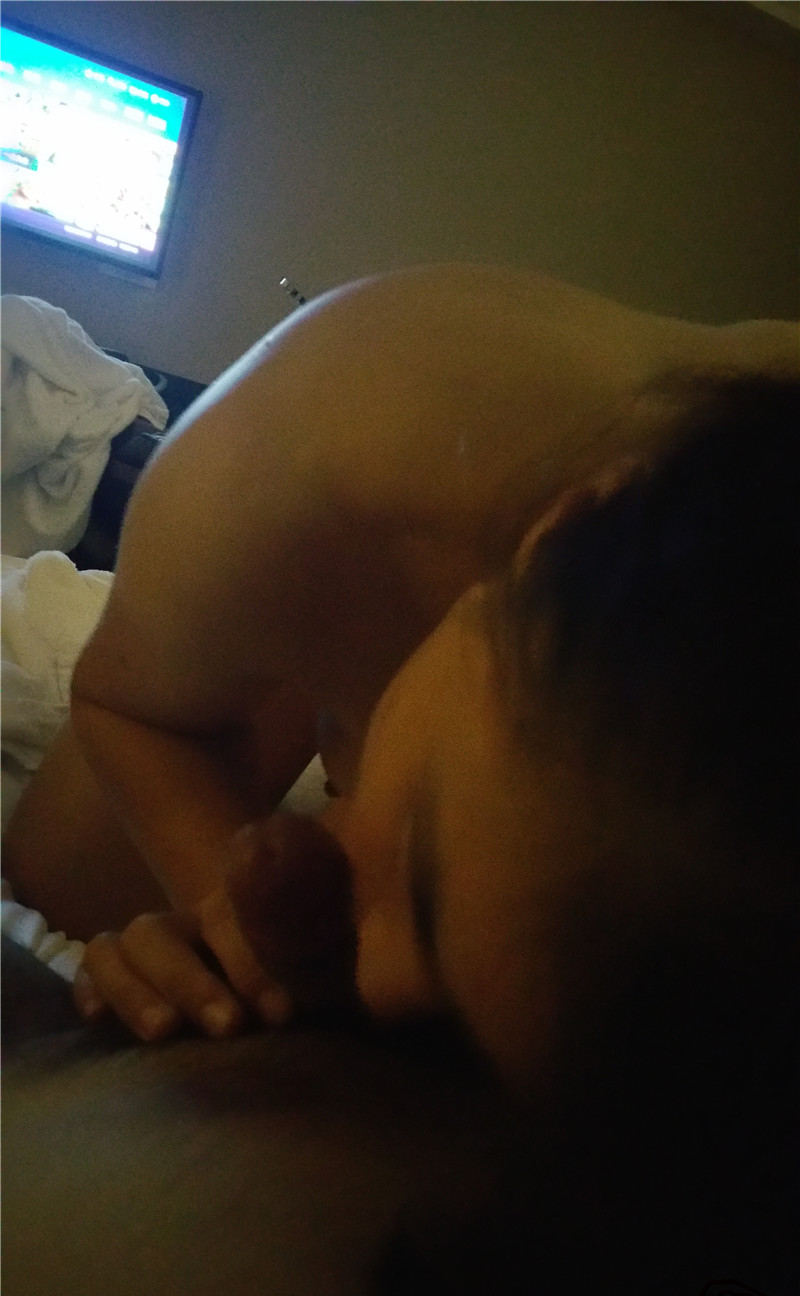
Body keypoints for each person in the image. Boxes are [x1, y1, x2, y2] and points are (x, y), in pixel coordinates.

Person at [4, 263, 798, 1091]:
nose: (377, 987)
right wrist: (244, 936)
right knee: (60, 872)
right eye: (420, 829)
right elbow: (124, 703)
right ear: (559, 539)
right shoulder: (303, 448)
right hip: (363, 513)